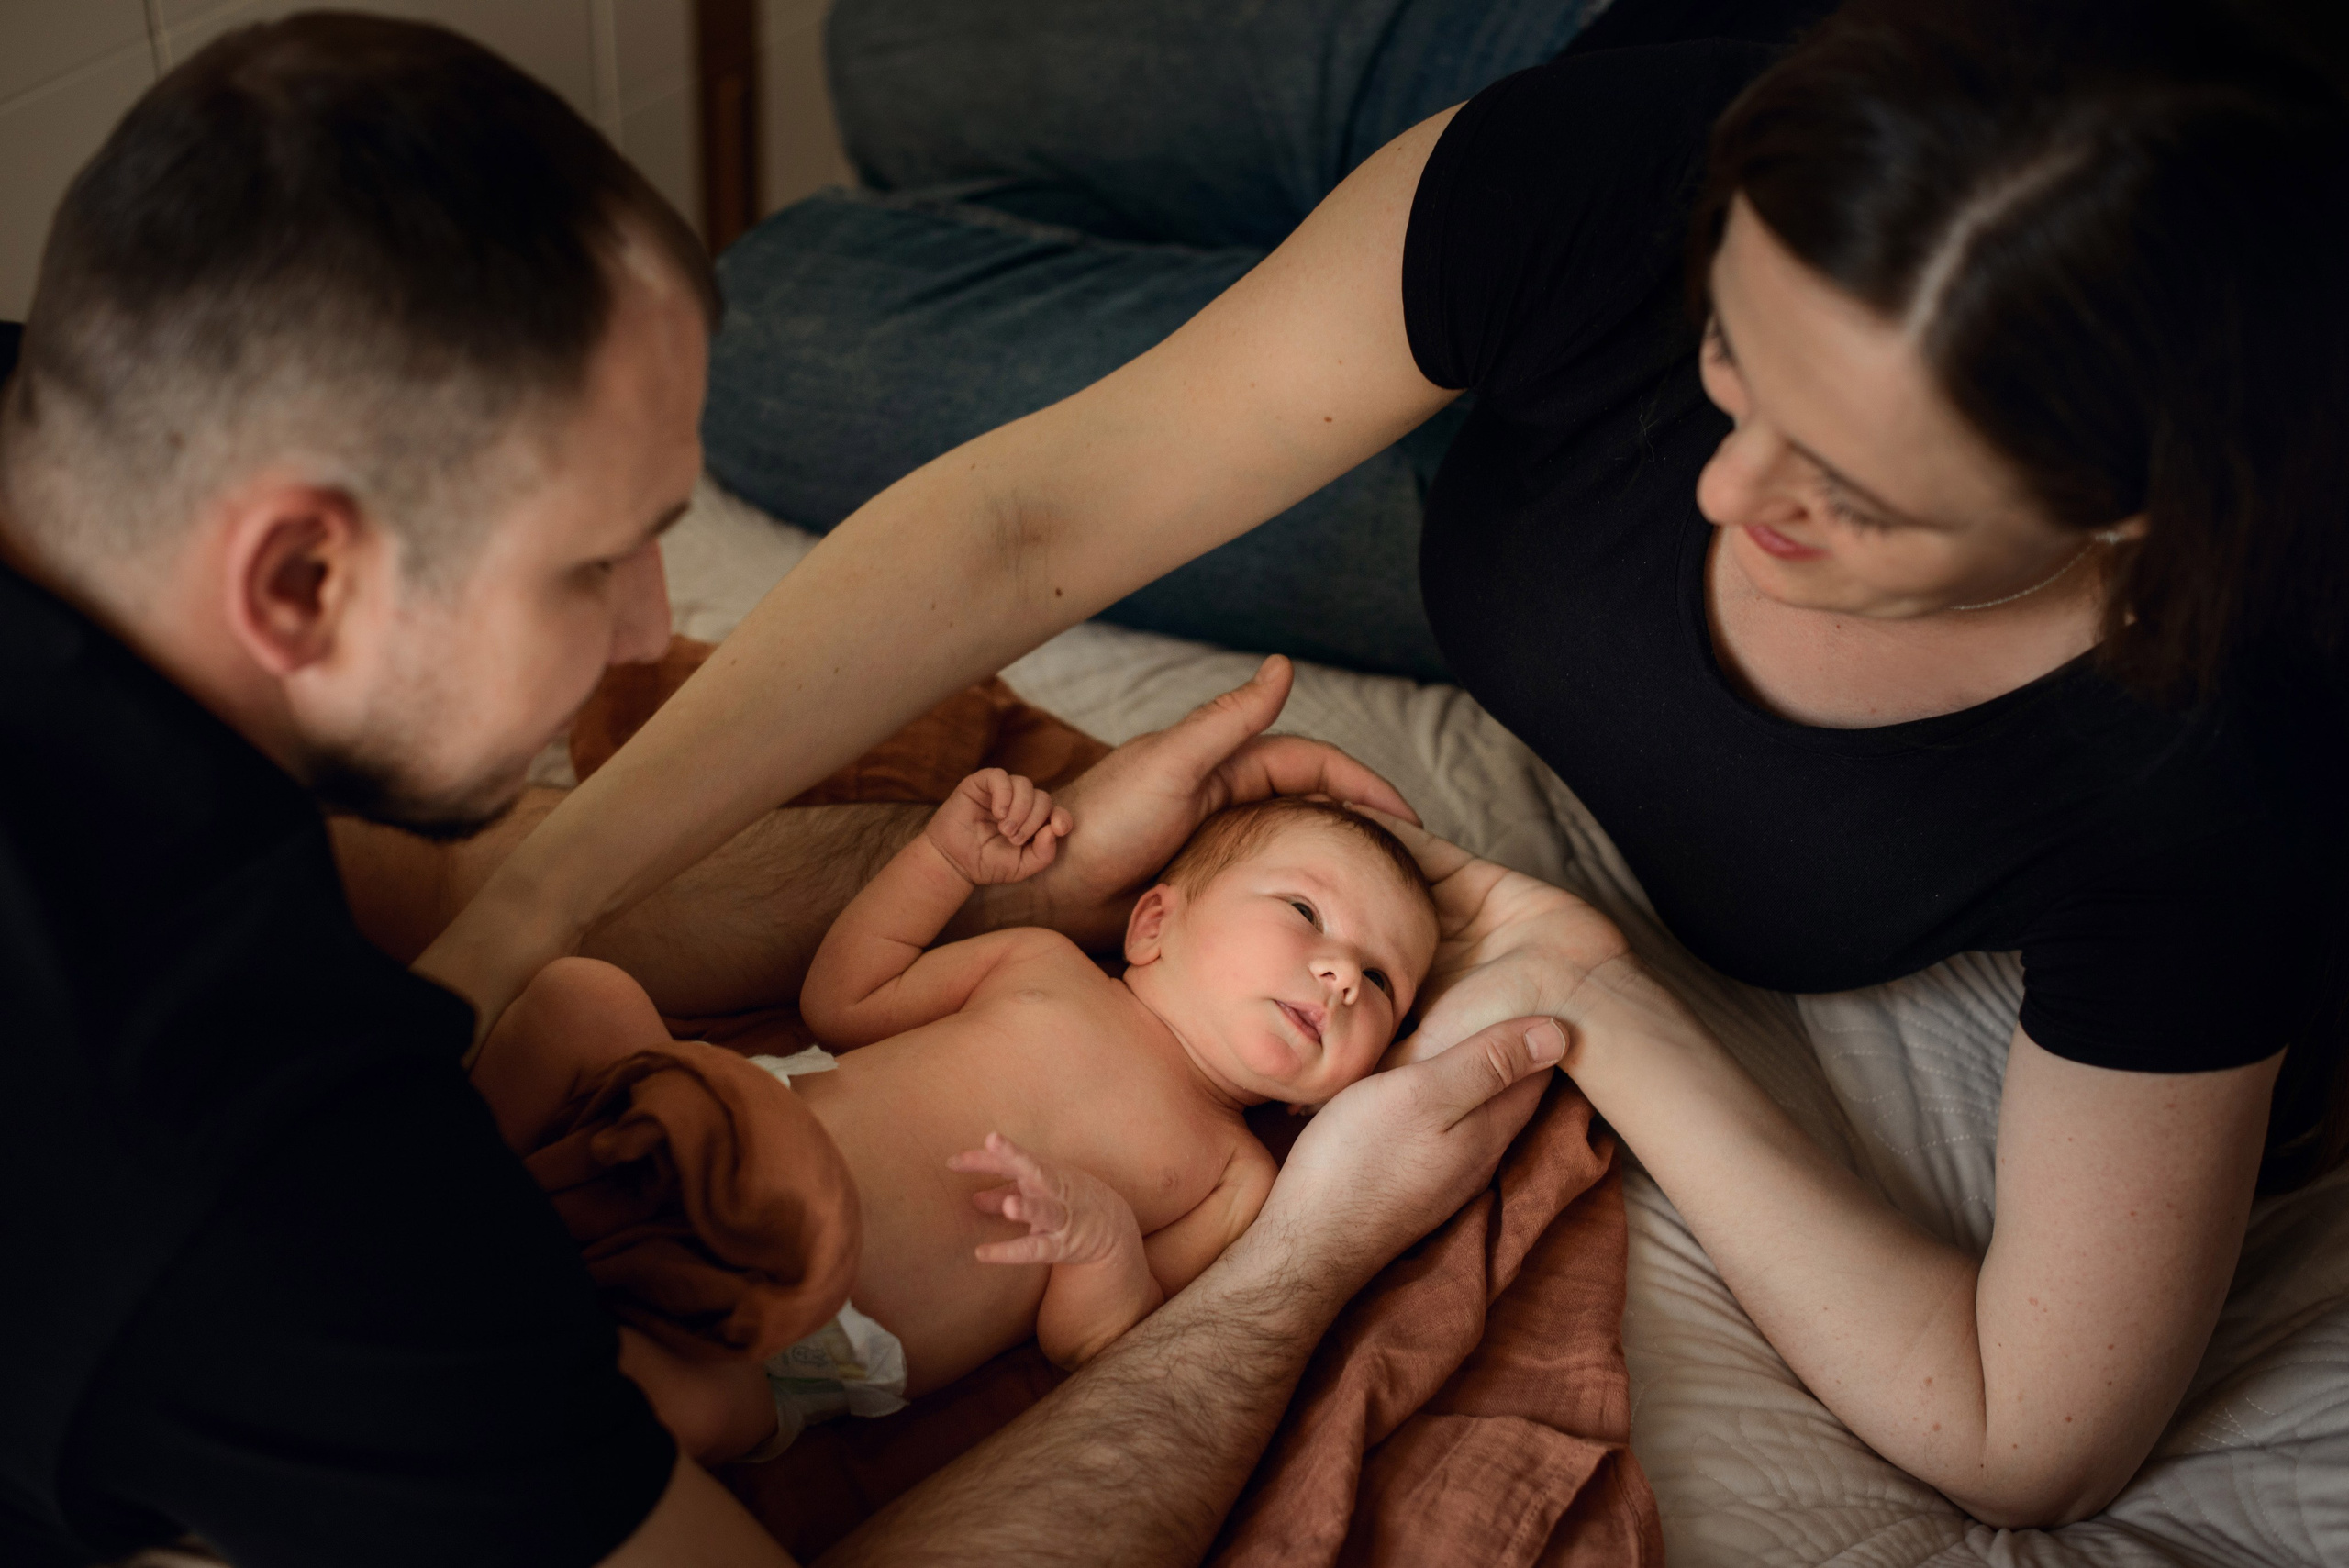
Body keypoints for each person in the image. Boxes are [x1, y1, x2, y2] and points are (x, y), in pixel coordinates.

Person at [423, 0, 2349, 1534]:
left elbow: (2025, 1431)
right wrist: (522, 903)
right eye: (1729, 364)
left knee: (787, 331)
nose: (1713, 492)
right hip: (1521, 178)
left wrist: (1600, 1003)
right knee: (900, 56)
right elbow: (1025, 533)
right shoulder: (1642, 182)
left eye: (1838, 500)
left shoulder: (2207, 759)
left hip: (1478, 485)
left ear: (2121, 519)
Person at [0, 16, 1557, 1568]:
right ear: (300, 574)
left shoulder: (77, 486)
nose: (644, 630)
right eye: (598, 558)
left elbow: (451, 897)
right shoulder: (246, 1180)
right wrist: (1318, 1249)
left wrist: (1026, 879)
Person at [478, 781, 1442, 1465]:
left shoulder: (1236, 1177)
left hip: (817, 1330)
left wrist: (1101, 1238)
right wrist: (940, 862)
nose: (1342, 973)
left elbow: (1100, 1348)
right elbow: (844, 1000)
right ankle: (420, 1171)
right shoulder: (1041, 962)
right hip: (724, 1127)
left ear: (1328, 1094)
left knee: (673, 1406)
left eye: (1382, 982)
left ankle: (469, 1372)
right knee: (582, 997)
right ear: (1154, 921)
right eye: (1307, 909)